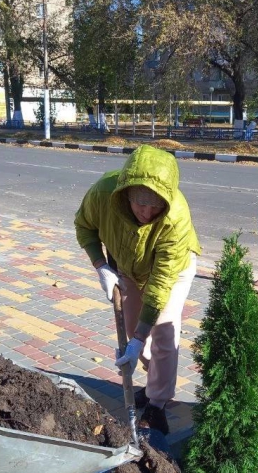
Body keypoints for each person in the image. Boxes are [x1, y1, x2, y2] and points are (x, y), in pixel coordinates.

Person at [74, 145, 201, 434]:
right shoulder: (103, 193)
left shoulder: (175, 218)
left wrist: (143, 335)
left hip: (173, 271)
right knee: (134, 331)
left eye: (156, 205)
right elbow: (84, 227)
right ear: (126, 194)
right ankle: (153, 377)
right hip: (127, 266)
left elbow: (160, 284)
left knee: (163, 333)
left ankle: (157, 404)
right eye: (140, 203)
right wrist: (100, 265)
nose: (147, 211)